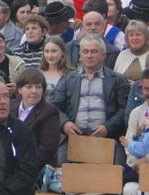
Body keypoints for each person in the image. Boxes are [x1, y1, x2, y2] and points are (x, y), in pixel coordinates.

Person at [51, 34, 130, 165]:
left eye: (94, 51)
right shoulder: (68, 79)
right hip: (74, 137)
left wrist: (108, 127)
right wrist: (65, 123)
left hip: (108, 136)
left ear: (103, 55)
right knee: (60, 166)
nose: (89, 55)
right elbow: (53, 106)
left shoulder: (118, 79)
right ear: (80, 55)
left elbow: (124, 109)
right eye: (85, 51)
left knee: (118, 169)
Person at [10, 68, 60, 170]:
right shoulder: (10, 106)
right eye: (28, 87)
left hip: (34, 167)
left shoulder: (50, 112)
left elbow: (47, 149)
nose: (34, 91)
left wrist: (21, 166)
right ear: (19, 89)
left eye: (38, 87)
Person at [40, 36, 74, 102]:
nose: (50, 55)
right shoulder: (39, 74)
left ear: (62, 52)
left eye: (54, 51)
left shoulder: (71, 75)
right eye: (46, 51)